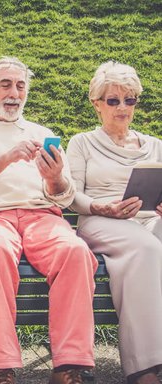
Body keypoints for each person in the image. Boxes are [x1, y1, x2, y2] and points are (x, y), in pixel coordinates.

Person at [0, 57, 98, 384]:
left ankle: (68, 366)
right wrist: (9, 155)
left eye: (20, 85)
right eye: (5, 84)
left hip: (41, 215)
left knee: (75, 252)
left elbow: (63, 194)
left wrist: (56, 177)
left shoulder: (43, 133)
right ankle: (0, 367)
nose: (14, 92)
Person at [66, 61, 162, 384]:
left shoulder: (154, 145)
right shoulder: (82, 143)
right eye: (113, 100)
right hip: (98, 218)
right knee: (147, 248)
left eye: (130, 100)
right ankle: (145, 367)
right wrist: (103, 207)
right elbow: (71, 196)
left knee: (149, 242)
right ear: (97, 104)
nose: (123, 107)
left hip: (147, 219)